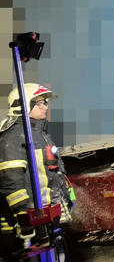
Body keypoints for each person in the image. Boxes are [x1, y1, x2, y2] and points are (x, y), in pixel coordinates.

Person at [0, 83, 74, 261]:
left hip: (48, 219)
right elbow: (11, 182)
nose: (45, 107)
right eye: (39, 103)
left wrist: (66, 201)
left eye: (45, 103)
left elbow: (53, 172)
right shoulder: (13, 137)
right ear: (22, 106)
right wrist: (24, 219)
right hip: (29, 227)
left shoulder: (38, 132)